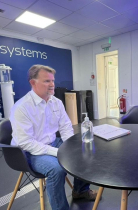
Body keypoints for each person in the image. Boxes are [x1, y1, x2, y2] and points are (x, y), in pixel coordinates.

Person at [10, 65, 98, 210]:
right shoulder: (21, 107)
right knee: (56, 169)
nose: (52, 85)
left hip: (52, 142)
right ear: (33, 83)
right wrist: (58, 152)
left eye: (52, 80)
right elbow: (26, 143)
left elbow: (65, 127)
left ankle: (80, 191)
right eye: (46, 81)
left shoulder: (56, 102)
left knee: (83, 151)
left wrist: (72, 146)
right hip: (30, 151)